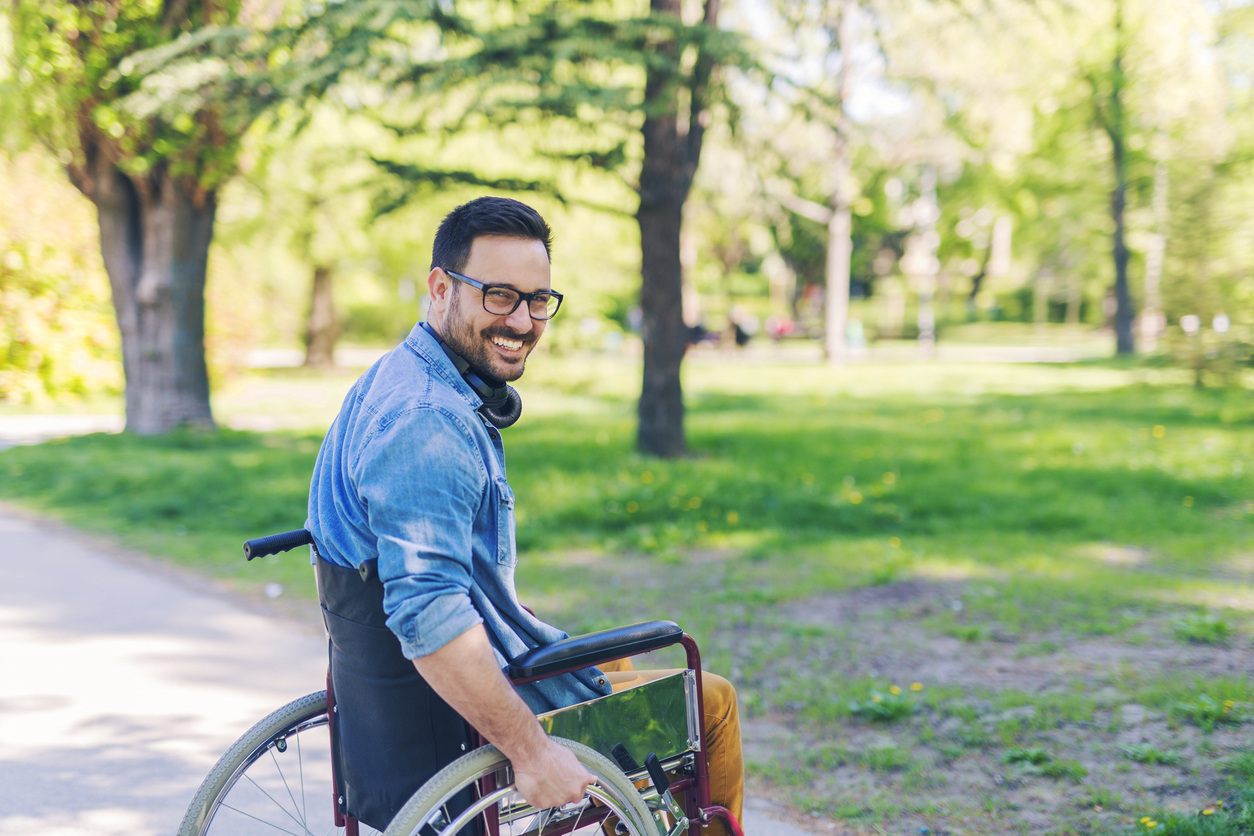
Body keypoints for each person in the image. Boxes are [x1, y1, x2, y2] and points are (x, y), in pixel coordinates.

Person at [305, 196, 743, 833]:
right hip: (465, 703)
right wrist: (533, 754)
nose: (524, 320)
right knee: (711, 698)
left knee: (605, 660)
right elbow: (428, 615)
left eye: (539, 300)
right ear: (440, 287)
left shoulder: (395, 376)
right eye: (500, 295)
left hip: (415, 675)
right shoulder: (429, 426)